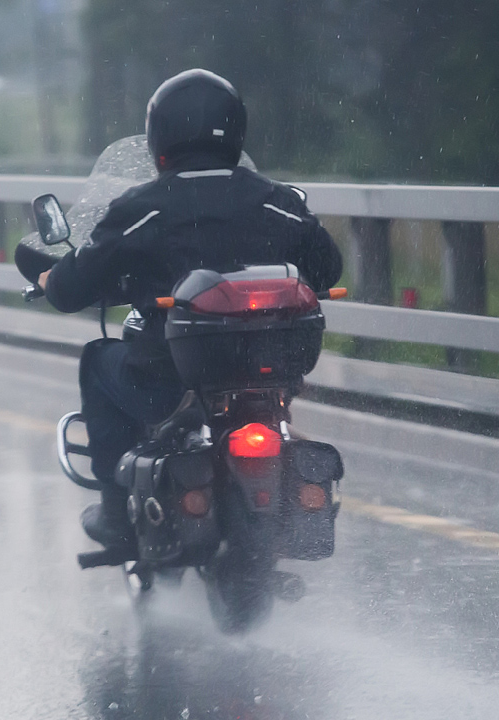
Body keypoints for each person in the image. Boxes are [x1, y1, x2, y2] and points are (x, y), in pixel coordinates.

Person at [38, 69, 343, 549]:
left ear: (160, 135)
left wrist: (50, 279)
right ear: (235, 130)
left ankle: (117, 513)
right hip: (269, 374)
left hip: (170, 377)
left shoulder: (142, 207)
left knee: (98, 361)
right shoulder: (277, 201)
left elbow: (71, 289)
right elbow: (328, 268)